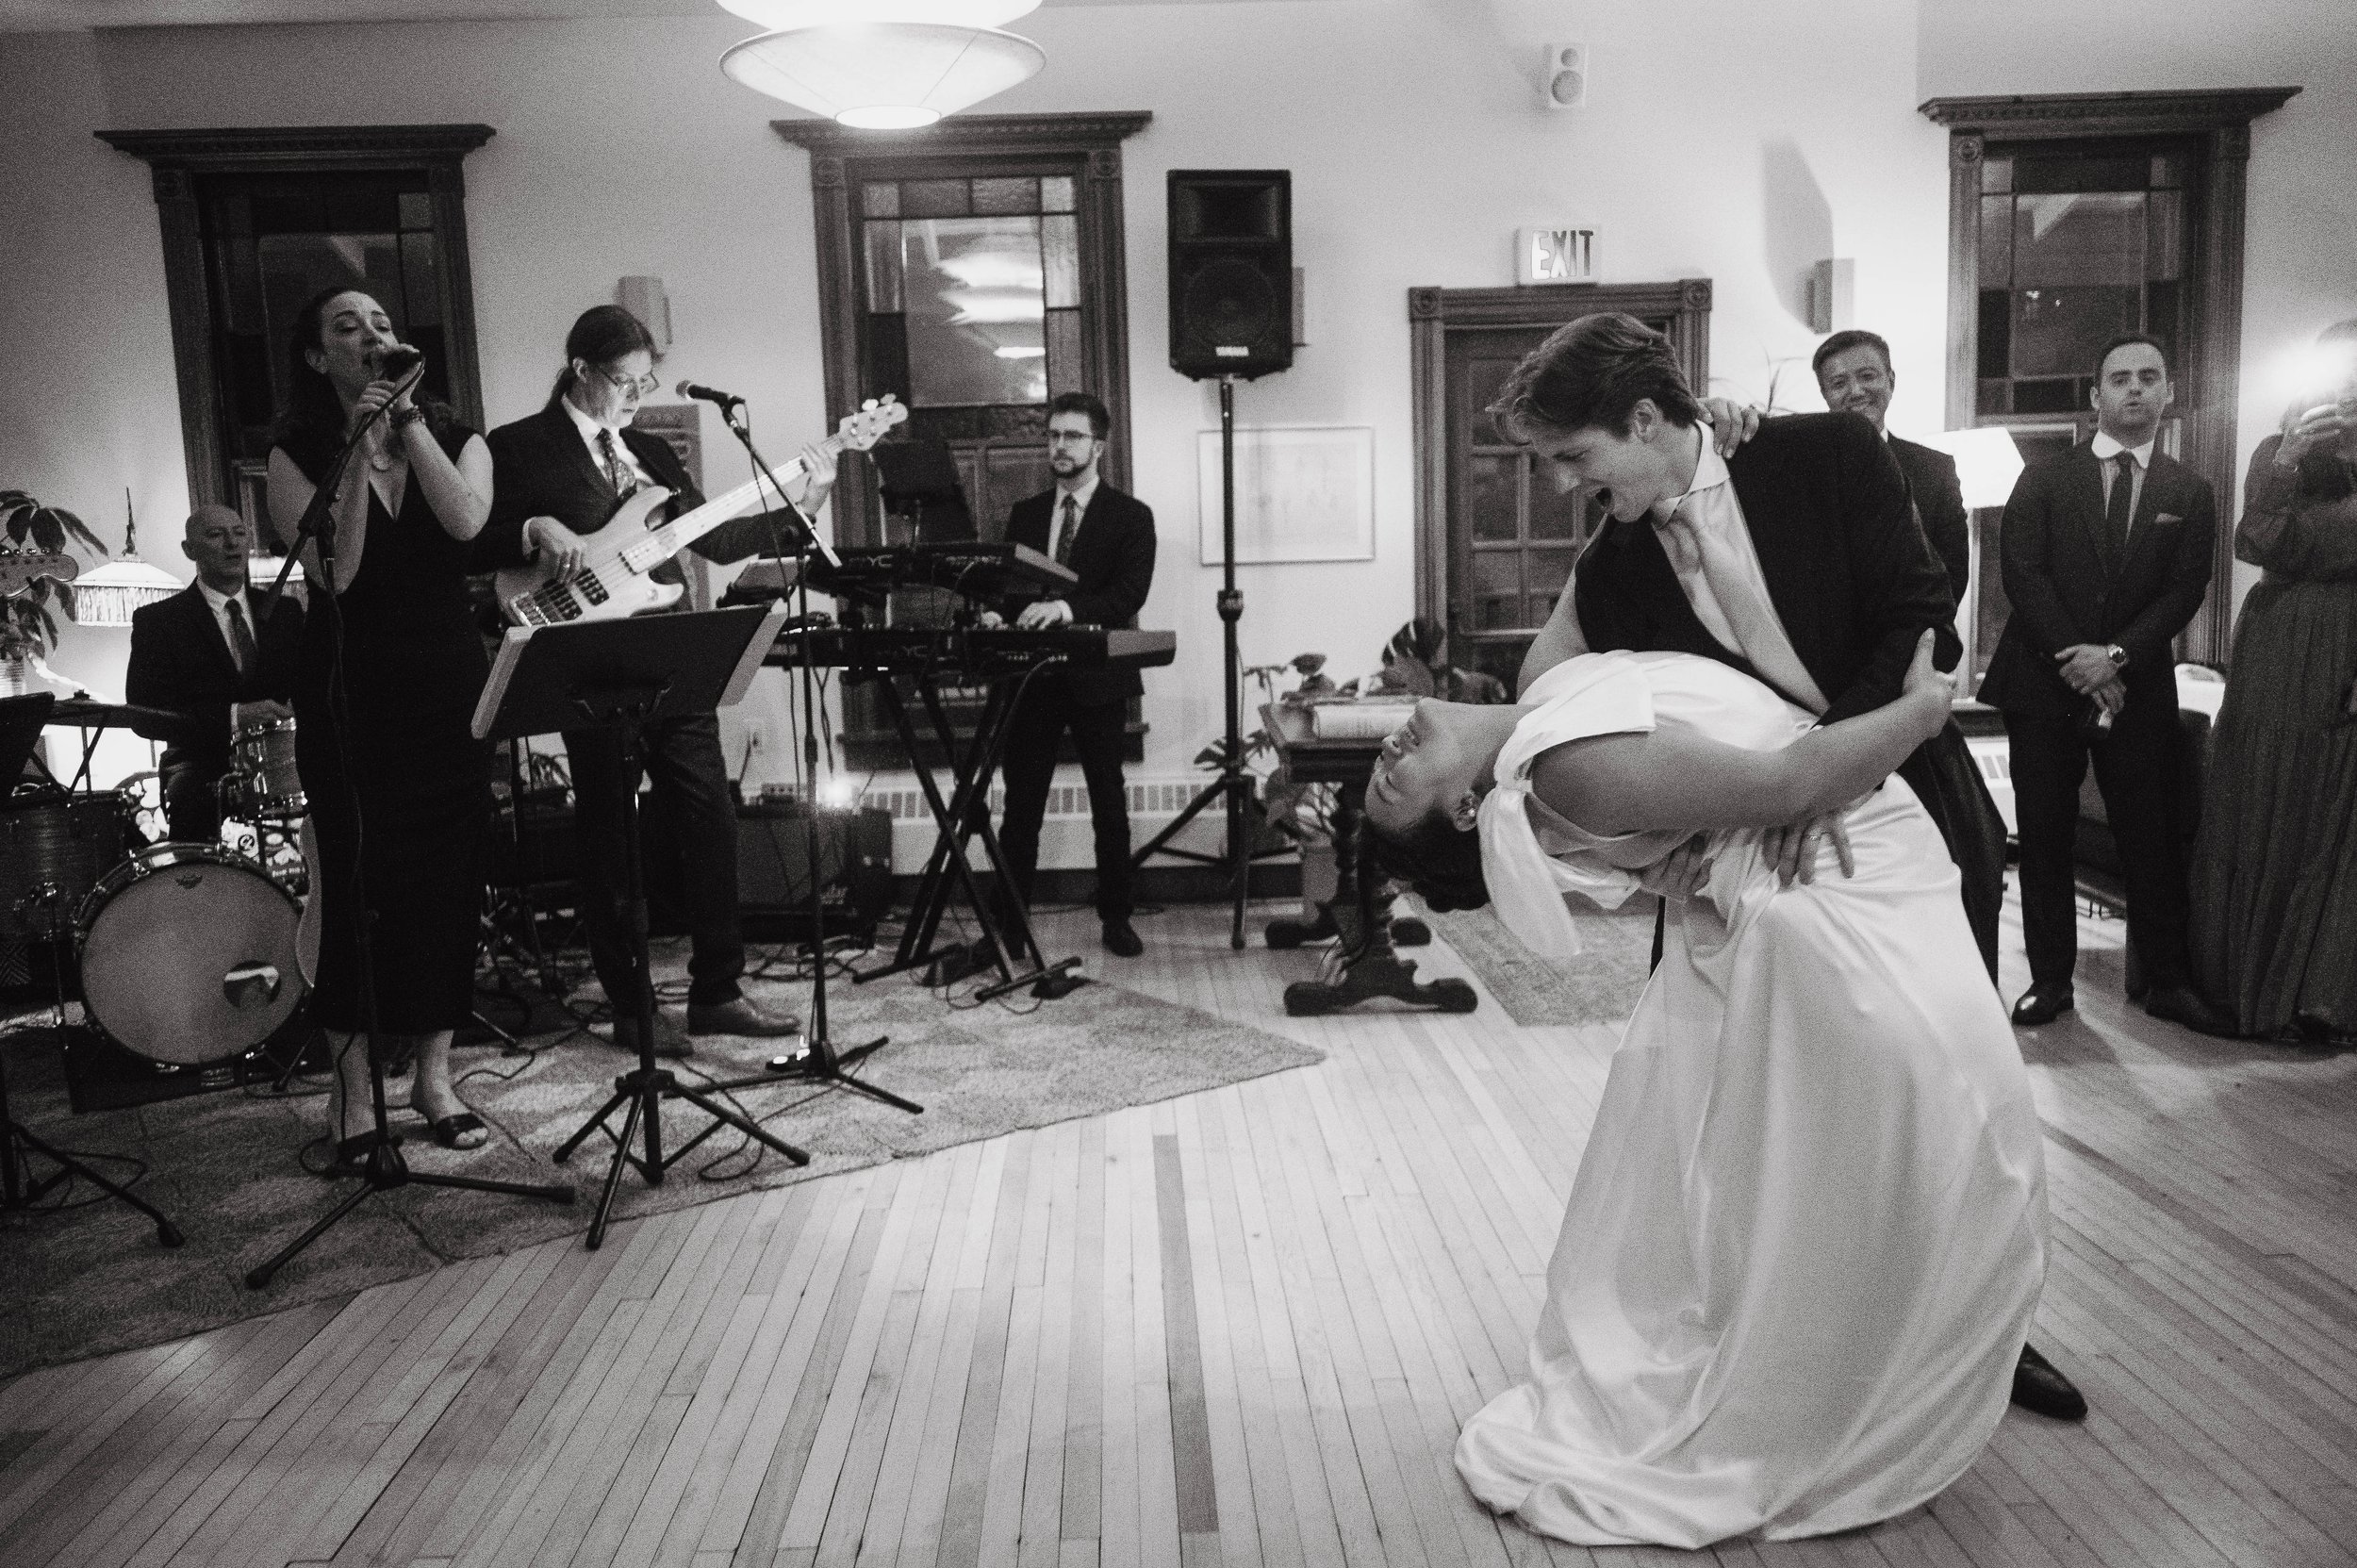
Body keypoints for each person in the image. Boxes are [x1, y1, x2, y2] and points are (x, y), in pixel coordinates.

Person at [1508, 312, 2080, 1422]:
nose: (1570, 485)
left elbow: (1919, 621)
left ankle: (1988, 1333)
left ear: (1643, 418)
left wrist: (1827, 771)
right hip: (1755, 853)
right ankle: (1813, 1328)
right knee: (1778, 1109)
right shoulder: (1617, 565)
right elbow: (1574, 693)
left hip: (1898, 790)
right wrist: (1771, 792)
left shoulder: (1822, 455)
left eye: (1576, 457)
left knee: (1945, 1080)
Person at [1367, 631, 2047, 1547]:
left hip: (1847, 874)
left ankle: (1861, 1361)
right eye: (1393, 787)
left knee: (1919, 1159)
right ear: (1461, 811)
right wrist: (1925, 711)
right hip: (1835, 896)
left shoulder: (1541, 692)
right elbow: (1793, 787)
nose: (1386, 755)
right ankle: (1833, 1393)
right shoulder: (1562, 770)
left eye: (1379, 771)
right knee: (1945, 1144)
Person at [477, 305, 831, 1056]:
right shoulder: (518, 446)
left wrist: (805, 501)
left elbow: (719, 536)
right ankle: (631, 1004)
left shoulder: (652, 453)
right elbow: (474, 537)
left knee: (710, 811)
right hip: (584, 649)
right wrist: (532, 531)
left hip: (671, 646)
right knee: (610, 826)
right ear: (580, 371)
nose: (638, 393)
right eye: (624, 379)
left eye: (647, 379)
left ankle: (718, 990)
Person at [264, 287, 497, 1158]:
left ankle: (436, 1077)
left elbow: (466, 521)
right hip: (351, 692)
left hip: (448, 689)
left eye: (383, 324)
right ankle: (355, 1090)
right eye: (346, 326)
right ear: (319, 359)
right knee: (357, 886)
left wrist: (412, 429)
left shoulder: (459, 434)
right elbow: (342, 574)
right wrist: (361, 449)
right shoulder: (297, 452)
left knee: (448, 883)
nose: (372, 335)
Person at [1980, 334, 2235, 1037]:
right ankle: (2051, 980)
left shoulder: (2190, 491)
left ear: (2168, 392)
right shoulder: (2043, 478)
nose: (2134, 389)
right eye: (2118, 379)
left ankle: (2169, 982)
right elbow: (2022, 574)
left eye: (2148, 378)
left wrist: (2115, 658)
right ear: (2095, 396)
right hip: (2042, 683)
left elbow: (2187, 589)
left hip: (2138, 688)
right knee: (2045, 838)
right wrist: (2080, 660)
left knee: (2149, 838)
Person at [2186, 320, 2357, 1043]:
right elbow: (2256, 540)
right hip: (2279, 636)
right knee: (2261, 791)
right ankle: (2240, 983)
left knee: (2335, 812)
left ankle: (2319, 996)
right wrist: (2287, 454)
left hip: (2349, 636)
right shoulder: (2277, 452)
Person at [984, 391, 1157, 959]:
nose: (1059, 446)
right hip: (1032, 679)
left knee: (1108, 803)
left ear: (1099, 446)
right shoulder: (1026, 514)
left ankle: (1117, 917)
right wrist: (996, 613)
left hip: (1097, 676)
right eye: (1054, 435)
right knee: (1021, 808)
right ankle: (1011, 924)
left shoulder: (1131, 516)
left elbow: (1129, 595)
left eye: (1072, 436)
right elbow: (1011, 595)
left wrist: (1066, 608)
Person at [124, 503, 304, 844]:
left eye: (239, 533)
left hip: (283, 752)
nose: (232, 544)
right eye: (216, 535)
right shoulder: (160, 622)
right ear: (189, 549)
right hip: (200, 760)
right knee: (190, 805)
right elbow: (144, 714)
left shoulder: (285, 612)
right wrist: (235, 716)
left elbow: (310, 685)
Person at [1813, 328, 1970, 601]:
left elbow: (1952, 574)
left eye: (1867, 376)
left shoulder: (1936, 470)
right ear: (1825, 394)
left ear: (1891, 381)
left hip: (1920, 634)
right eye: (1838, 383)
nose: (1856, 392)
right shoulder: (1807, 471)